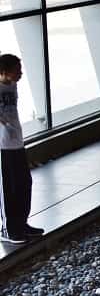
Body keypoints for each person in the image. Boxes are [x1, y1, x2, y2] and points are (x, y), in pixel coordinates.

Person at [0, 54, 42, 244]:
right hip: (2, 146)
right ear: (4, 71)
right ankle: (8, 229)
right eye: (17, 70)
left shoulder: (12, 85)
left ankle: (21, 223)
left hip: (16, 142)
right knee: (8, 187)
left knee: (24, 183)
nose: (21, 74)